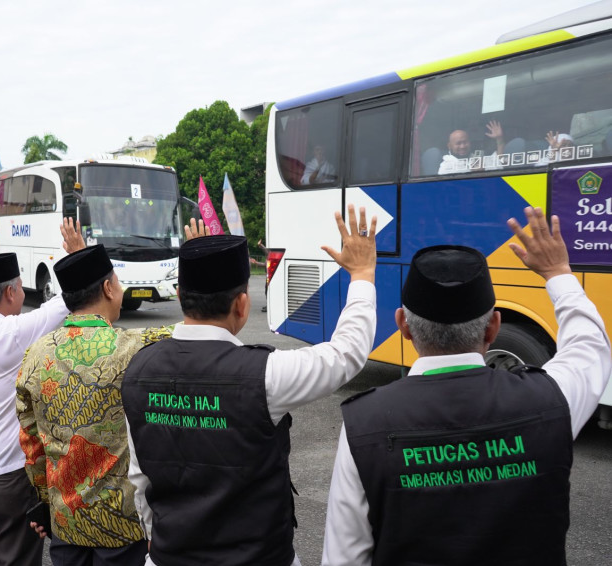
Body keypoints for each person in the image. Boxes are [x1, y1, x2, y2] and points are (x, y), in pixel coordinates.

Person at [321, 207, 612, 566]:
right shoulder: (552, 400)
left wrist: (362, 274)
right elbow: (590, 347)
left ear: (403, 326)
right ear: (494, 327)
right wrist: (558, 273)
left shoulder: (363, 423)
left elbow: (344, 557)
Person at [120, 206, 378, 566]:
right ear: (242, 305)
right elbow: (346, 354)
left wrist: (154, 538)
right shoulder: (266, 374)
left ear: (180, 296)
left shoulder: (137, 370)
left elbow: (140, 476)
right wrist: (362, 275)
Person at [16, 232, 188, 565]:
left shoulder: (35, 355)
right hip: (121, 526)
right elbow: (198, 329)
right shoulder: (133, 347)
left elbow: (31, 444)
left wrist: (44, 501)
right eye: (118, 282)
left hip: (66, 523)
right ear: (108, 288)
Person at [0, 219, 83, 566]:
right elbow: (62, 304)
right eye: (21, 287)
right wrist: (78, 257)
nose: (24, 294)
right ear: (9, 293)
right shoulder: (8, 334)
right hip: (9, 475)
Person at [438, 120, 505, 174]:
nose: (462, 146)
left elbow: (498, 162)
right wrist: (474, 174)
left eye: (465, 142)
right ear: (449, 146)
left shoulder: (477, 159)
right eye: (458, 143)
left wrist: (499, 140)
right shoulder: (446, 166)